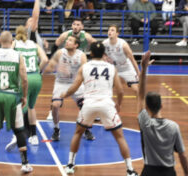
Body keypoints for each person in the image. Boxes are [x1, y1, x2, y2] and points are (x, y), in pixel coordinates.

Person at [61, 41, 138, 176]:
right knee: (119, 136)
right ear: (104, 54)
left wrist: (64, 95)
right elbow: (120, 91)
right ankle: (130, 170)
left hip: (89, 104)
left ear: (90, 53)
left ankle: (70, 164)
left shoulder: (84, 67)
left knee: (78, 133)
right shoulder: (111, 68)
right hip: (107, 104)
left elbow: (74, 87)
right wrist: (119, 104)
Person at [0, 31, 33, 174]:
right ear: (12, 41)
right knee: (19, 130)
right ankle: (25, 164)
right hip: (12, 96)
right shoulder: (17, 56)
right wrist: (25, 96)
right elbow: (25, 79)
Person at [137, 51, 188, 176]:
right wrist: (187, 174)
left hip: (149, 171)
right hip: (168, 172)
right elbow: (182, 154)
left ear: (146, 108)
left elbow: (140, 96)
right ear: (161, 105)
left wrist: (144, 69)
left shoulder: (145, 123)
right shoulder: (173, 126)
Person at [43, 35, 95, 141]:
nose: (67, 41)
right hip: (61, 83)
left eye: (70, 40)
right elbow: (47, 69)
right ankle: (56, 129)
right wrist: (56, 68)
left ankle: (86, 129)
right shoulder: (60, 53)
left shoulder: (81, 55)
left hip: (76, 83)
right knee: (55, 105)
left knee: (85, 106)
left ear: (76, 45)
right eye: (67, 40)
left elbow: (85, 72)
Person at [5, 25, 49, 150]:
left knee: (19, 107)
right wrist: (37, 70)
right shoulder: (34, 45)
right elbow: (45, 59)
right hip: (36, 77)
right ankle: (34, 136)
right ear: (27, 34)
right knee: (31, 107)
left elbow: (9, 59)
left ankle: (17, 135)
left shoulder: (14, 44)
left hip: (24, 78)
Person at [103, 25, 140, 92]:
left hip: (126, 69)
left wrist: (138, 72)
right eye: (109, 30)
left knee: (136, 90)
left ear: (117, 33)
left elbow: (132, 59)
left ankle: (140, 102)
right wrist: (105, 58)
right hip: (113, 69)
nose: (110, 32)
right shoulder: (104, 44)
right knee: (106, 89)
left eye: (112, 30)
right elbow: (101, 56)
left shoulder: (123, 45)